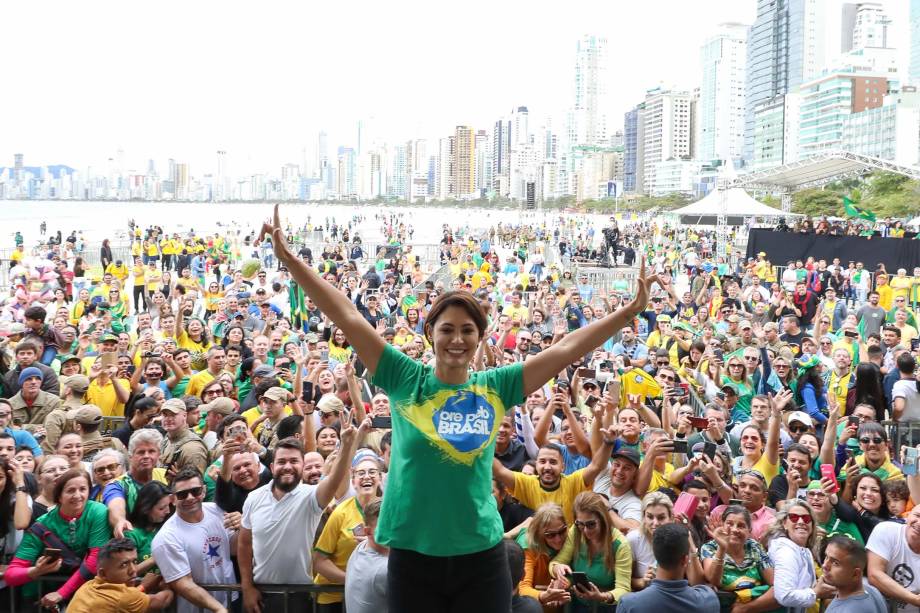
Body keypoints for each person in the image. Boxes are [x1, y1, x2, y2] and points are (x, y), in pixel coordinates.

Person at [260, 205, 656, 613]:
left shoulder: (496, 385)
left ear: (480, 337)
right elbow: (346, 314)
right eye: (446, 329)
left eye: (468, 330)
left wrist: (627, 312)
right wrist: (290, 259)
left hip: (480, 554)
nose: (457, 338)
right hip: (413, 553)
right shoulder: (403, 377)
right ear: (430, 333)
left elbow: (567, 347)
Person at [239, 426, 368, 613]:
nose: (288, 466)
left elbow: (335, 479)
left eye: (294, 461)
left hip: (300, 595)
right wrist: (247, 587)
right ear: (272, 467)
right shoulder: (254, 498)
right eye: (282, 461)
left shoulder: (311, 496)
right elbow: (244, 545)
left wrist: (347, 445)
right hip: (262, 594)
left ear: (301, 466)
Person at [6, 467, 113, 609]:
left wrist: (61, 593)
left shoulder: (98, 511)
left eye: (83, 489)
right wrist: (37, 571)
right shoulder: (42, 524)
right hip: (42, 597)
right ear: (59, 496)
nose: (78, 495)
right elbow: (11, 575)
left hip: (82, 594)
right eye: (70, 491)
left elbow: (95, 559)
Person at [150, 467, 235, 613]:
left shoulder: (216, 511)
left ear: (203, 491)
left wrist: (244, 526)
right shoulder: (166, 538)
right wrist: (218, 609)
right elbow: (183, 583)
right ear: (173, 499)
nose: (190, 497)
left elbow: (233, 548)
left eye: (195, 491)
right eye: (182, 494)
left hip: (231, 600)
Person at [548, 491, 633, 612]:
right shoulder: (576, 531)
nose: (586, 530)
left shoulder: (620, 545)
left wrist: (602, 596)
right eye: (580, 524)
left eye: (591, 524)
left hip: (606, 607)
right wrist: (557, 569)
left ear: (602, 519)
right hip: (577, 603)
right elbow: (555, 562)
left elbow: (624, 590)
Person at [616, 523, 718, 613]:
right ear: (685, 560)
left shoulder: (629, 605)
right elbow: (700, 585)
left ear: (656, 555)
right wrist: (692, 550)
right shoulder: (707, 600)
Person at [701, 505, 777, 612]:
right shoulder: (710, 547)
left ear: (749, 530)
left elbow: (774, 584)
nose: (734, 529)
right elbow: (714, 581)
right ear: (722, 525)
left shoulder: (753, 546)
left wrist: (746, 608)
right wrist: (722, 548)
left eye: (741, 526)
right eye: (729, 524)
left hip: (753, 606)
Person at [68, 537, 175, 612]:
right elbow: (162, 601)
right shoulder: (124, 597)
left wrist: (142, 587)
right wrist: (167, 586)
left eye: (135, 561)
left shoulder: (88, 586)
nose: (133, 570)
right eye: (124, 565)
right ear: (103, 573)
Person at [763, 501, 833, 612]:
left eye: (806, 518)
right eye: (794, 517)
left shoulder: (803, 550)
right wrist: (816, 592)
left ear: (812, 525)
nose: (801, 522)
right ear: (785, 523)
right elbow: (784, 596)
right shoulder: (786, 550)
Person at [517, 503, 571, 611]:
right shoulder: (528, 547)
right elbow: (522, 589)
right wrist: (544, 595)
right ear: (539, 533)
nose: (558, 539)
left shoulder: (570, 537)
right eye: (550, 535)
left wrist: (564, 582)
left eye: (562, 531)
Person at [343, 499, 389, 613]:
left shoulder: (361, 548)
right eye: (384, 528)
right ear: (368, 532)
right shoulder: (384, 570)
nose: (392, 531)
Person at [822, 535, 887, 612]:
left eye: (835, 563)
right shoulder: (872, 591)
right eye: (826, 557)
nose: (825, 565)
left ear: (855, 574)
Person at [125, 481, 173, 579]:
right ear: (146, 509)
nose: (168, 511)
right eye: (161, 508)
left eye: (169, 505)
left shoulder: (167, 528)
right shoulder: (131, 535)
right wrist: (154, 559)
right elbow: (126, 573)